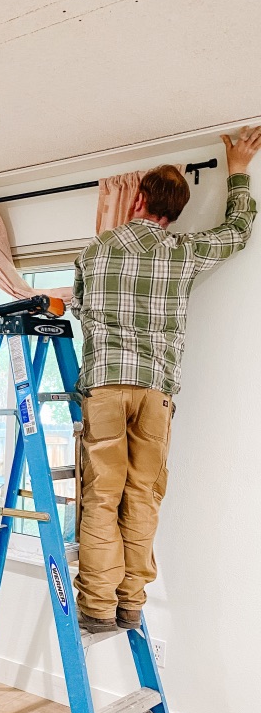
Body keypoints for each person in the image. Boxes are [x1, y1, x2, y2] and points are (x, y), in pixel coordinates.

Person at [72, 127, 261, 634]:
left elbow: (84, 308)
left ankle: (95, 605)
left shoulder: (96, 251)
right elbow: (239, 230)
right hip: (156, 390)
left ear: (136, 199)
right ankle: (130, 602)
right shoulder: (182, 251)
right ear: (174, 212)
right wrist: (239, 170)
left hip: (107, 386)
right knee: (142, 495)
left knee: (102, 495)